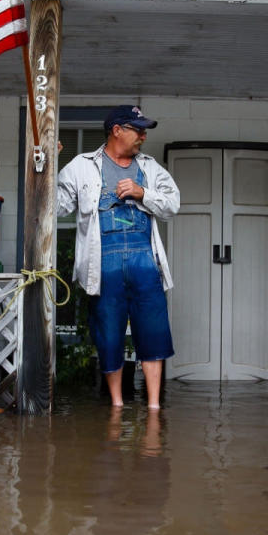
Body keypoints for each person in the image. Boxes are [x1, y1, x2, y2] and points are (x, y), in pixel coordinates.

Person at [57, 105, 180, 409]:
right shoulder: (80, 166)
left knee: (153, 333)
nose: (143, 135)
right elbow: (56, 208)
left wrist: (142, 193)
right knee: (108, 335)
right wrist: (47, 167)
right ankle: (117, 405)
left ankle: (153, 407)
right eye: (137, 129)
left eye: (144, 129)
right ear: (116, 130)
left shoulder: (150, 168)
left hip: (144, 262)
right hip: (103, 264)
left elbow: (172, 205)